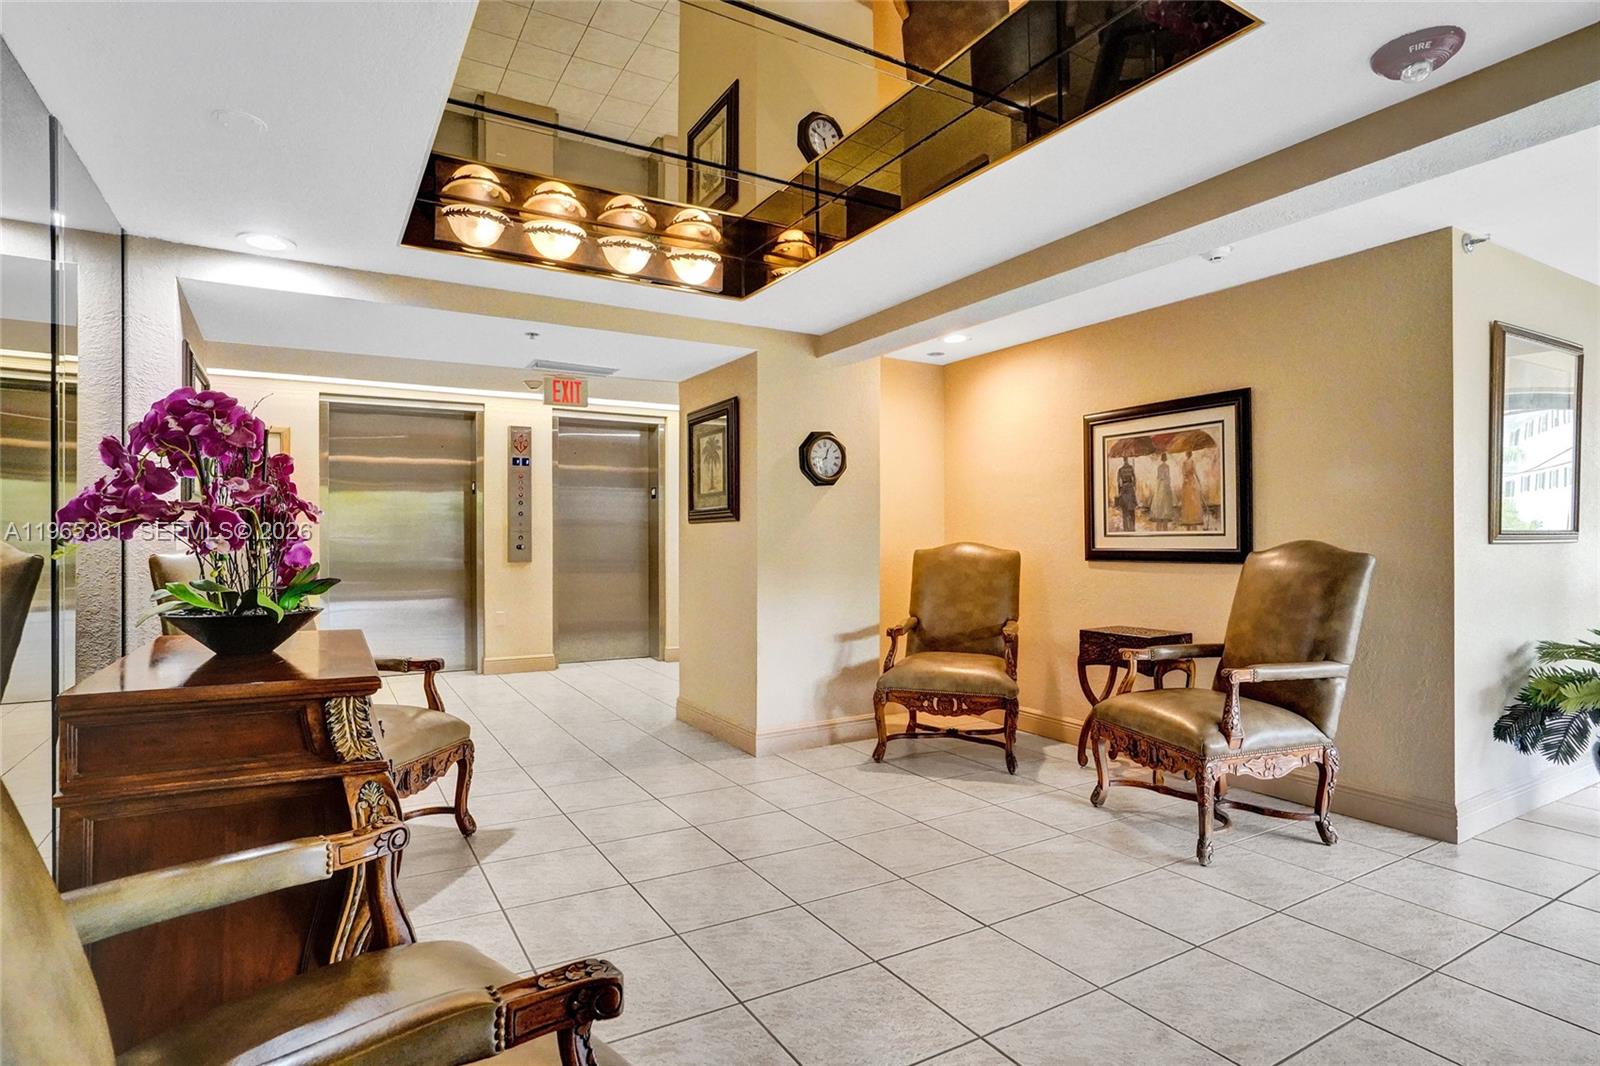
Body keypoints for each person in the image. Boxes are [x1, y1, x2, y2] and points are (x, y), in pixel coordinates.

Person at [1179, 450, 1205, 529]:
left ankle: (1190, 519)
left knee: (1191, 500)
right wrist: (1198, 480)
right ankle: (1190, 519)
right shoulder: (1189, 462)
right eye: (1189, 454)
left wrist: (1196, 480)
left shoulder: (1186, 463)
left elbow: (1184, 473)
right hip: (1190, 482)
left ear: (1187, 454)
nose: (1188, 455)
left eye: (1188, 453)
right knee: (1190, 500)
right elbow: (1192, 472)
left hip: (1188, 482)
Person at [1150, 452, 1176, 530]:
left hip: (1160, 484)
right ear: (1166, 459)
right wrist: (1168, 484)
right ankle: (1164, 515)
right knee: (1165, 500)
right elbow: (1168, 477)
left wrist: (1159, 483)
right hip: (1165, 484)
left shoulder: (1159, 467)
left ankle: (1160, 514)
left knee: (1160, 500)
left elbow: (1158, 477)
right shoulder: (1167, 467)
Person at [1115, 456, 1138, 532]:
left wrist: (1120, 491)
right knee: (1132, 510)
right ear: (1127, 459)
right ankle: (1132, 527)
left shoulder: (1120, 470)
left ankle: (1126, 528)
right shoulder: (1131, 468)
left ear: (1123, 460)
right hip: (1130, 489)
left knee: (1125, 511)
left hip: (1124, 489)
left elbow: (1118, 482)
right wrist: (1133, 486)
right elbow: (1134, 479)